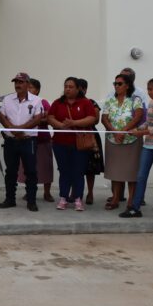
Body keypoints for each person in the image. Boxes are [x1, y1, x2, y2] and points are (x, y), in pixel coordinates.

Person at [120, 78, 153, 220]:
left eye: (151, 89)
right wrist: (138, 128)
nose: (148, 92)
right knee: (141, 176)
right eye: (148, 89)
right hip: (148, 145)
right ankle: (135, 208)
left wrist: (142, 133)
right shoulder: (152, 102)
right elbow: (148, 122)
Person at [47, 77, 98, 211]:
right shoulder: (58, 103)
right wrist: (60, 126)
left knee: (78, 171)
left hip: (79, 144)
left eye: (71, 87)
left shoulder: (85, 102)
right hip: (60, 143)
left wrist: (74, 123)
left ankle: (78, 199)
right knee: (64, 171)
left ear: (77, 89)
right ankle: (63, 198)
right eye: (66, 86)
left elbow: (92, 118)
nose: (67, 89)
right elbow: (50, 117)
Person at [0, 72, 43, 211]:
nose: (18, 85)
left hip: (28, 140)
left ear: (28, 84)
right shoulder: (7, 99)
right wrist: (13, 130)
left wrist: (20, 129)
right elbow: (2, 117)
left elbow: (37, 119)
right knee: (11, 171)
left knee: (30, 171)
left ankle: (31, 201)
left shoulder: (36, 100)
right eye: (16, 82)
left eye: (21, 82)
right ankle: (10, 199)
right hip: (11, 141)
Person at [102, 74, 144, 210]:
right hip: (113, 139)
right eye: (115, 83)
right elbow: (104, 119)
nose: (116, 86)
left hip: (130, 140)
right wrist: (115, 132)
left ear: (127, 85)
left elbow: (138, 117)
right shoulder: (110, 100)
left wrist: (123, 131)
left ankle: (131, 200)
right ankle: (115, 198)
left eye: (119, 83)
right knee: (116, 171)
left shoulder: (135, 99)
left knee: (131, 172)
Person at [18, 78, 55, 202]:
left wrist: (36, 120)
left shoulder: (43, 102)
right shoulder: (22, 102)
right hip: (27, 139)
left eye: (31, 87)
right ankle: (29, 191)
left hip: (42, 140)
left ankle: (47, 193)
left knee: (46, 167)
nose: (28, 89)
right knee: (28, 168)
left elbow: (50, 118)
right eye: (27, 87)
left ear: (37, 90)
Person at [76, 79, 103, 205]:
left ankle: (90, 192)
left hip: (89, 136)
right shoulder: (69, 103)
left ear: (86, 89)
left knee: (90, 167)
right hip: (73, 135)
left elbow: (95, 120)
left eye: (82, 88)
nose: (80, 90)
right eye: (78, 88)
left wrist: (79, 121)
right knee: (74, 166)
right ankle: (74, 192)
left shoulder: (91, 102)